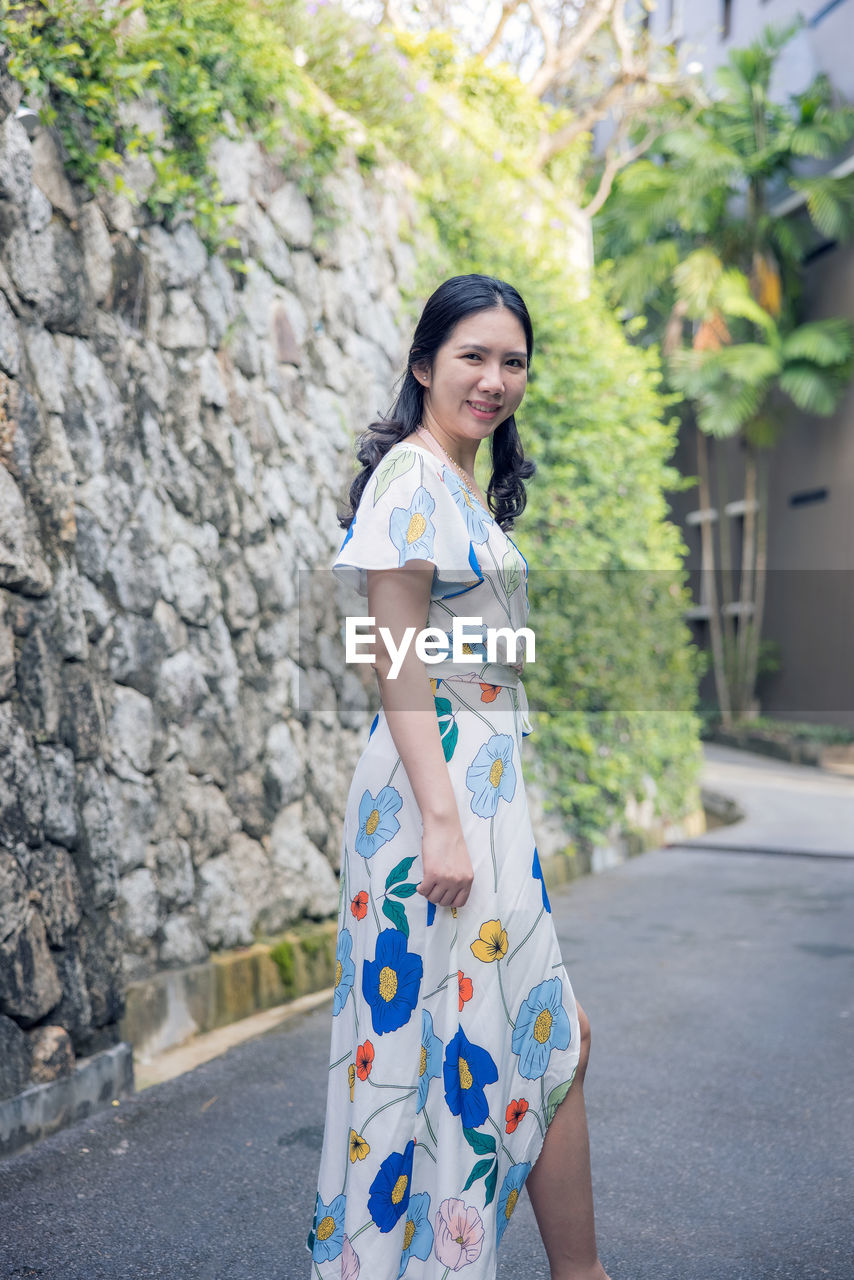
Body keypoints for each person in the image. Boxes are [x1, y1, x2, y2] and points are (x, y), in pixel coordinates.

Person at [307, 274, 611, 1280]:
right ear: (423, 361)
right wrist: (440, 819)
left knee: (537, 1034)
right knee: (500, 1038)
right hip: (429, 797)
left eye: (511, 360)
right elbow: (387, 654)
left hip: (478, 792)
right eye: (472, 355)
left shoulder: (456, 482)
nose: (492, 378)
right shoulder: (410, 476)